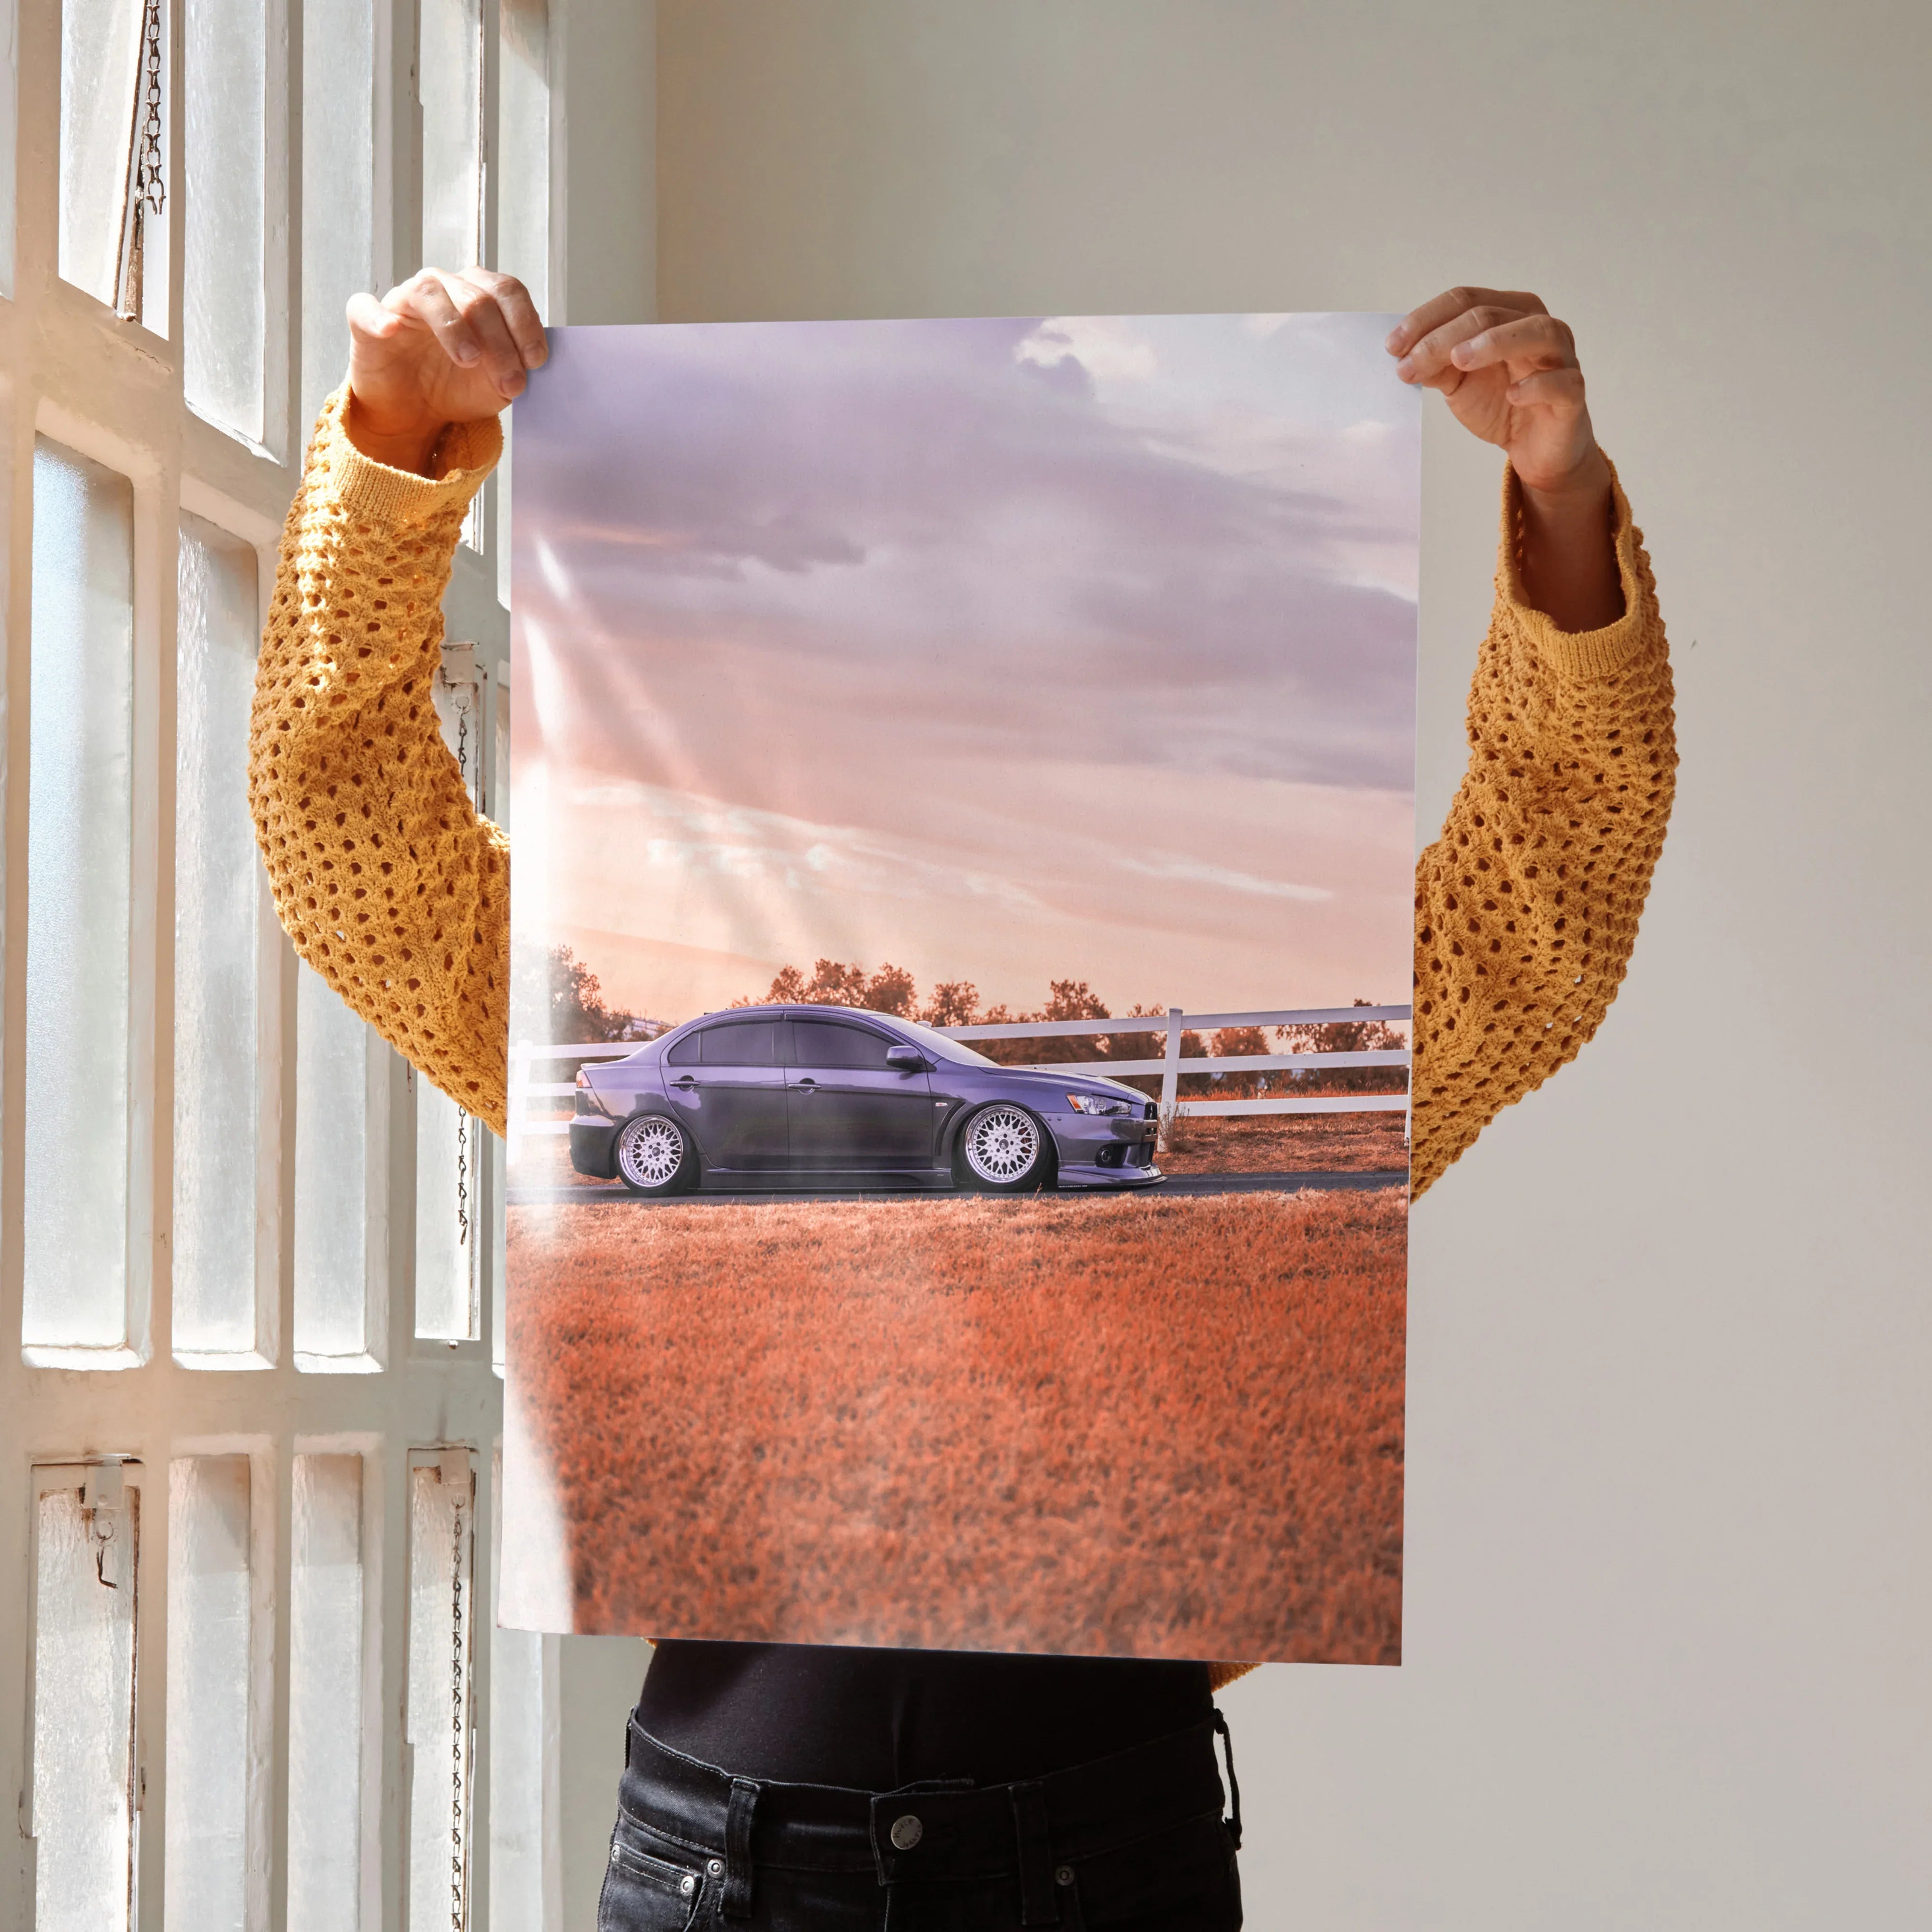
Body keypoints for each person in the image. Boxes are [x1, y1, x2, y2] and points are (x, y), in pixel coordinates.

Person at [250, 270, 1675, 1930]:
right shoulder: (653, 1021)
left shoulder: (1173, 1043)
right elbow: (344, 835)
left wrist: (1561, 499)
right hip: (728, 1869)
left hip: (1106, 1855)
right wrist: (393, 446)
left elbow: (1545, 905)